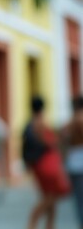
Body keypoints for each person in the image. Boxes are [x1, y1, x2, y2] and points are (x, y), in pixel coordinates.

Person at [22, 96, 69, 229]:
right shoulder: (40, 123)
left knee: (50, 196)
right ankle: (32, 223)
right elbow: (48, 142)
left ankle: (49, 225)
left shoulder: (30, 123)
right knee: (50, 197)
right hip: (46, 163)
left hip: (40, 164)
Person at [60, 96, 83, 229]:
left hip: (72, 161)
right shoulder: (80, 120)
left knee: (78, 198)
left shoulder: (68, 123)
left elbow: (62, 143)